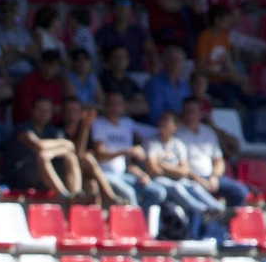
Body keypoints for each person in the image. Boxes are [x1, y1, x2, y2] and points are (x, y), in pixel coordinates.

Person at [145, 110, 224, 239]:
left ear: (175, 127)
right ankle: (202, 210)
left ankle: (218, 208)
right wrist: (174, 170)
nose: (163, 125)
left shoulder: (177, 144)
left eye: (167, 122)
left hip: (176, 178)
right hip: (158, 180)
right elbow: (153, 170)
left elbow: (184, 170)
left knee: (194, 186)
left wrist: (162, 165)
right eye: (162, 122)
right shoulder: (152, 142)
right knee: (177, 187)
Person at [89, 90, 165, 209]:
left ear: (123, 107)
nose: (115, 107)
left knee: (158, 192)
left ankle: (142, 221)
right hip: (105, 174)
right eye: (111, 104)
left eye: (118, 104)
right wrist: (125, 151)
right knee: (129, 193)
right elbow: (99, 154)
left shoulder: (127, 123)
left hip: (124, 174)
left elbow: (156, 131)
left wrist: (140, 173)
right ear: (105, 106)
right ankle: (136, 225)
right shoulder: (98, 124)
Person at [2, 96, 83, 198]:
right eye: (40, 110)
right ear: (32, 111)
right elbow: (38, 145)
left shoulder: (53, 130)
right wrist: (61, 145)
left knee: (70, 157)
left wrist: (50, 153)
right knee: (43, 156)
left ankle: (76, 195)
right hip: (21, 173)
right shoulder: (22, 128)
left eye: (47, 111)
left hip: (44, 175)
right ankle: (64, 196)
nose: (44, 114)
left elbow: (71, 147)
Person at [176, 97, 247, 209]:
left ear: (200, 113)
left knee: (240, 191)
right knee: (201, 202)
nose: (189, 115)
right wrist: (199, 180)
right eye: (186, 111)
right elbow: (180, 165)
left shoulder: (208, 132)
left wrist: (214, 177)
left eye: (193, 111)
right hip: (190, 179)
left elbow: (218, 160)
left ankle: (224, 221)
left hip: (211, 177)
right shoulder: (177, 134)